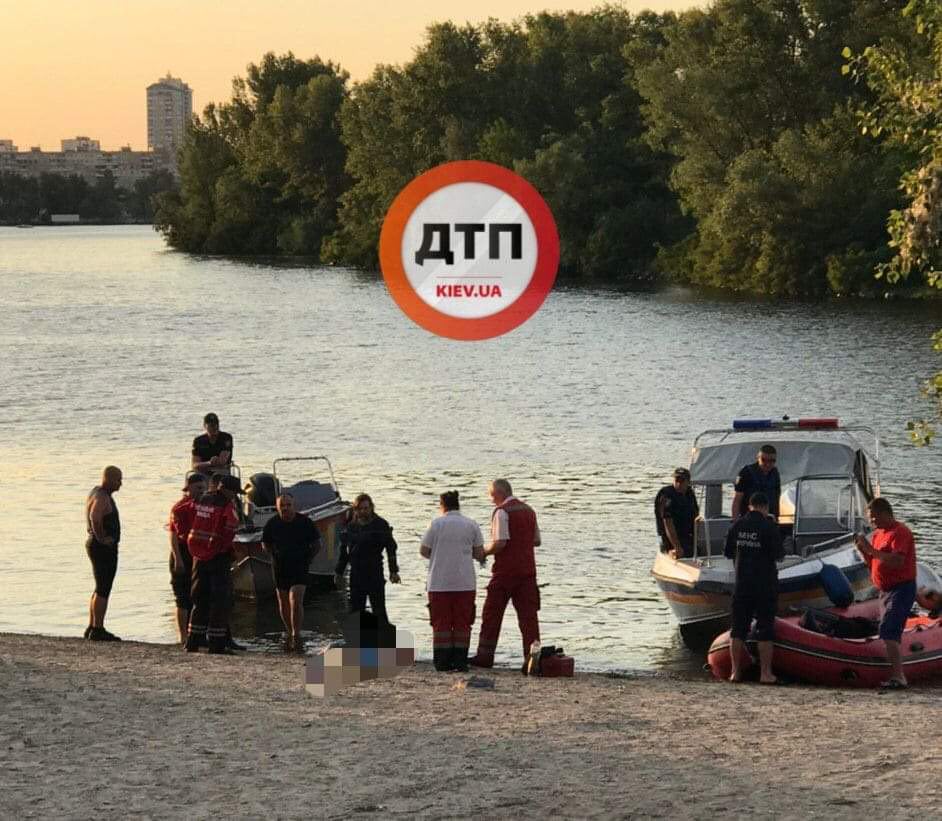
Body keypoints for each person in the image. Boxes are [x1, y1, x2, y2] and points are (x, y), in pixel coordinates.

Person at [470, 479, 542, 671]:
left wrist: (483, 552)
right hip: (528, 572)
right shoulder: (529, 510)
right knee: (529, 619)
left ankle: (485, 656)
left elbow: (500, 542)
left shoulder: (502, 512)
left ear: (498, 494)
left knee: (492, 614)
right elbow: (536, 540)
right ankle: (533, 659)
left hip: (505, 572)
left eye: (492, 496)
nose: (491, 500)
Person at [854, 497, 917, 689]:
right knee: (887, 630)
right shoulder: (878, 534)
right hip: (885, 590)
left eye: (874, 517)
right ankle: (895, 672)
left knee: (890, 629)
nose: (872, 521)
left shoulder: (900, 532)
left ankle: (899, 676)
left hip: (902, 587)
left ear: (884, 514)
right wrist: (864, 551)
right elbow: (874, 563)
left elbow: (897, 561)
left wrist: (871, 550)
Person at [420, 490, 485, 672]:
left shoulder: (436, 524)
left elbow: (424, 550)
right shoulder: (471, 524)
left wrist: (439, 555)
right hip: (465, 582)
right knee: (463, 622)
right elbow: (479, 553)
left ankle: (442, 662)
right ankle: (460, 661)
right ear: (458, 504)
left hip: (439, 582)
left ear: (442, 505)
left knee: (441, 623)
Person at [724, 492, 784, 684]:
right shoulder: (769, 527)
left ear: (749, 506)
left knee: (738, 629)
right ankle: (765, 673)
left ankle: (735, 672)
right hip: (764, 584)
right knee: (765, 628)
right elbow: (779, 555)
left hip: (742, 584)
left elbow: (727, 552)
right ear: (765, 507)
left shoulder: (737, 525)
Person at [186, 473, 240, 653]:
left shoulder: (202, 499)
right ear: (227, 490)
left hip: (198, 555)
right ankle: (217, 644)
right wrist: (227, 549)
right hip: (217, 556)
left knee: (199, 599)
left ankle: (192, 641)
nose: (235, 496)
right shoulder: (226, 505)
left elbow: (187, 514)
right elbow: (231, 526)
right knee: (220, 600)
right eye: (234, 492)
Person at [262, 492, 321, 654]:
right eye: (282, 506)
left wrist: (308, 559)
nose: (286, 509)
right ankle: (288, 630)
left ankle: (296, 633)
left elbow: (317, 544)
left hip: (300, 565)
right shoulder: (272, 523)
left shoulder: (305, 522)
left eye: (288, 505)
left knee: (295, 599)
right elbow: (265, 543)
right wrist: (273, 555)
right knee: (283, 600)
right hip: (280, 566)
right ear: (278, 507)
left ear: (293, 506)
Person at [334, 494, 400, 625]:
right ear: (356, 510)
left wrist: (393, 571)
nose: (364, 511)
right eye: (360, 509)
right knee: (356, 611)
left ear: (371, 508)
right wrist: (339, 572)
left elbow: (391, 548)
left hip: (375, 572)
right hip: (356, 573)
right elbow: (344, 552)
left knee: (379, 610)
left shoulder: (380, 524)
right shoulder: (351, 527)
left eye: (366, 508)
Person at [85, 465, 123, 641]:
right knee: (104, 587)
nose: (120, 484)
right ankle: (98, 628)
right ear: (108, 479)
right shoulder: (102, 497)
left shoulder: (96, 492)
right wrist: (102, 538)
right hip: (102, 547)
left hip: (96, 545)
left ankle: (92, 625)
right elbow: (95, 516)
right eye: (118, 480)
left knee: (100, 585)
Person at [168, 473, 207, 644]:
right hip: (183, 551)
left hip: (198, 552)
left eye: (203, 488)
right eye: (198, 488)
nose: (202, 492)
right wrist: (178, 558)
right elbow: (173, 535)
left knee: (198, 595)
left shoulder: (204, 506)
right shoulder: (180, 507)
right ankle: (183, 636)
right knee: (182, 597)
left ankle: (197, 633)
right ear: (189, 488)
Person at [655, 467, 699, 558]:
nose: (679, 483)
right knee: (686, 552)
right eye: (677, 480)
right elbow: (668, 523)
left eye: (682, 480)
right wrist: (677, 547)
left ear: (688, 482)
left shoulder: (689, 493)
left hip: (687, 536)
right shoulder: (666, 494)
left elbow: (695, 514)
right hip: (669, 539)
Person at [731, 444, 781, 521]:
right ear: (758, 458)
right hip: (749, 518)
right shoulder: (746, 472)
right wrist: (736, 522)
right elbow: (737, 499)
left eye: (772, 461)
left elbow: (776, 498)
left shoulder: (775, 473)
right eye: (764, 460)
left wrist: (776, 519)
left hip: (768, 518)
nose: (768, 464)